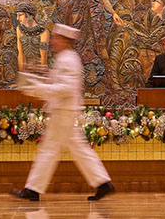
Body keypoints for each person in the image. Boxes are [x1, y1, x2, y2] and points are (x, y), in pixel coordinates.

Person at [11, 24, 115, 202]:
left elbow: (67, 88)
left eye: (55, 38)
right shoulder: (65, 58)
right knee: (77, 149)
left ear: (65, 40)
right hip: (64, 110)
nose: (52, 41)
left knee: (49, 150)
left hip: (63, 111)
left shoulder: (68, 59)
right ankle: (103, 183)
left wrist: (38, 88)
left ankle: (33, 189)